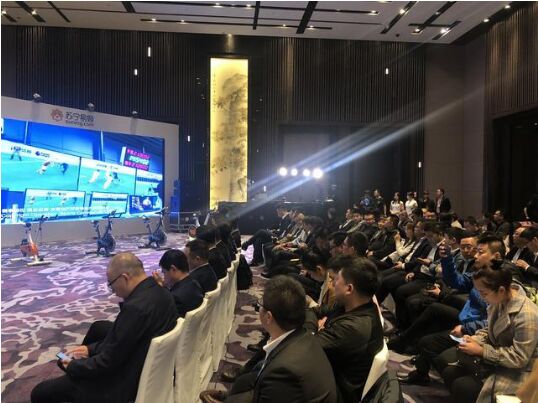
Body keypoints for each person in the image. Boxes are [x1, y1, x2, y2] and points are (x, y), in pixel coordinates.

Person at [31, 253, 178, 403]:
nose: (112, 291)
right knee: (78, 356)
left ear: (124, 278)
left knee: (40, 392)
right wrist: (90, 349)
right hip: (148, 370)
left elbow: (107, 362)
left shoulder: (135, 308)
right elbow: (121, 342)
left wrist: (74, 366)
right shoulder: (162, 291)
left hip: (122, 385)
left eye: (111, 283)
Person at [200, 276, 338, 403]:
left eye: (261, 304)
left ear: (268, 317)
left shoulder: (284, 370)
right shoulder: (301, 334)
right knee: (245, 380)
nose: (258, 307)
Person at [440, 261, 538, 403]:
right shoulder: (500, 300)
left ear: (501, 290)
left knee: (462, 386)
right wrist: (475, 338)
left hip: (522, 372)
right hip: (499, 358)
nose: (481, 297)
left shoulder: (527, 315)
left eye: (483, 293)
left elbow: (519, 358)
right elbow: (490, 328)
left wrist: (482, 351)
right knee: (449, 371)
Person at [305, 256, 384, 401]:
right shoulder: (348, 304)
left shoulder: (354, 327)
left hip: (335, 390)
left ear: (349, 288)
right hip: (328, 368)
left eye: (336, 279)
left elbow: (306, 345)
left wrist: (314, 329)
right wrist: (316, 328)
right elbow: (314, 311)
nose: (332, 283)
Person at [153, 249, 204, 317]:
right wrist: (165, 287)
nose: (164, 277)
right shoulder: (195, 283)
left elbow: (162, 316)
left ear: (173, 269)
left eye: (164, 272)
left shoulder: (176, 297)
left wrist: (160, 290)